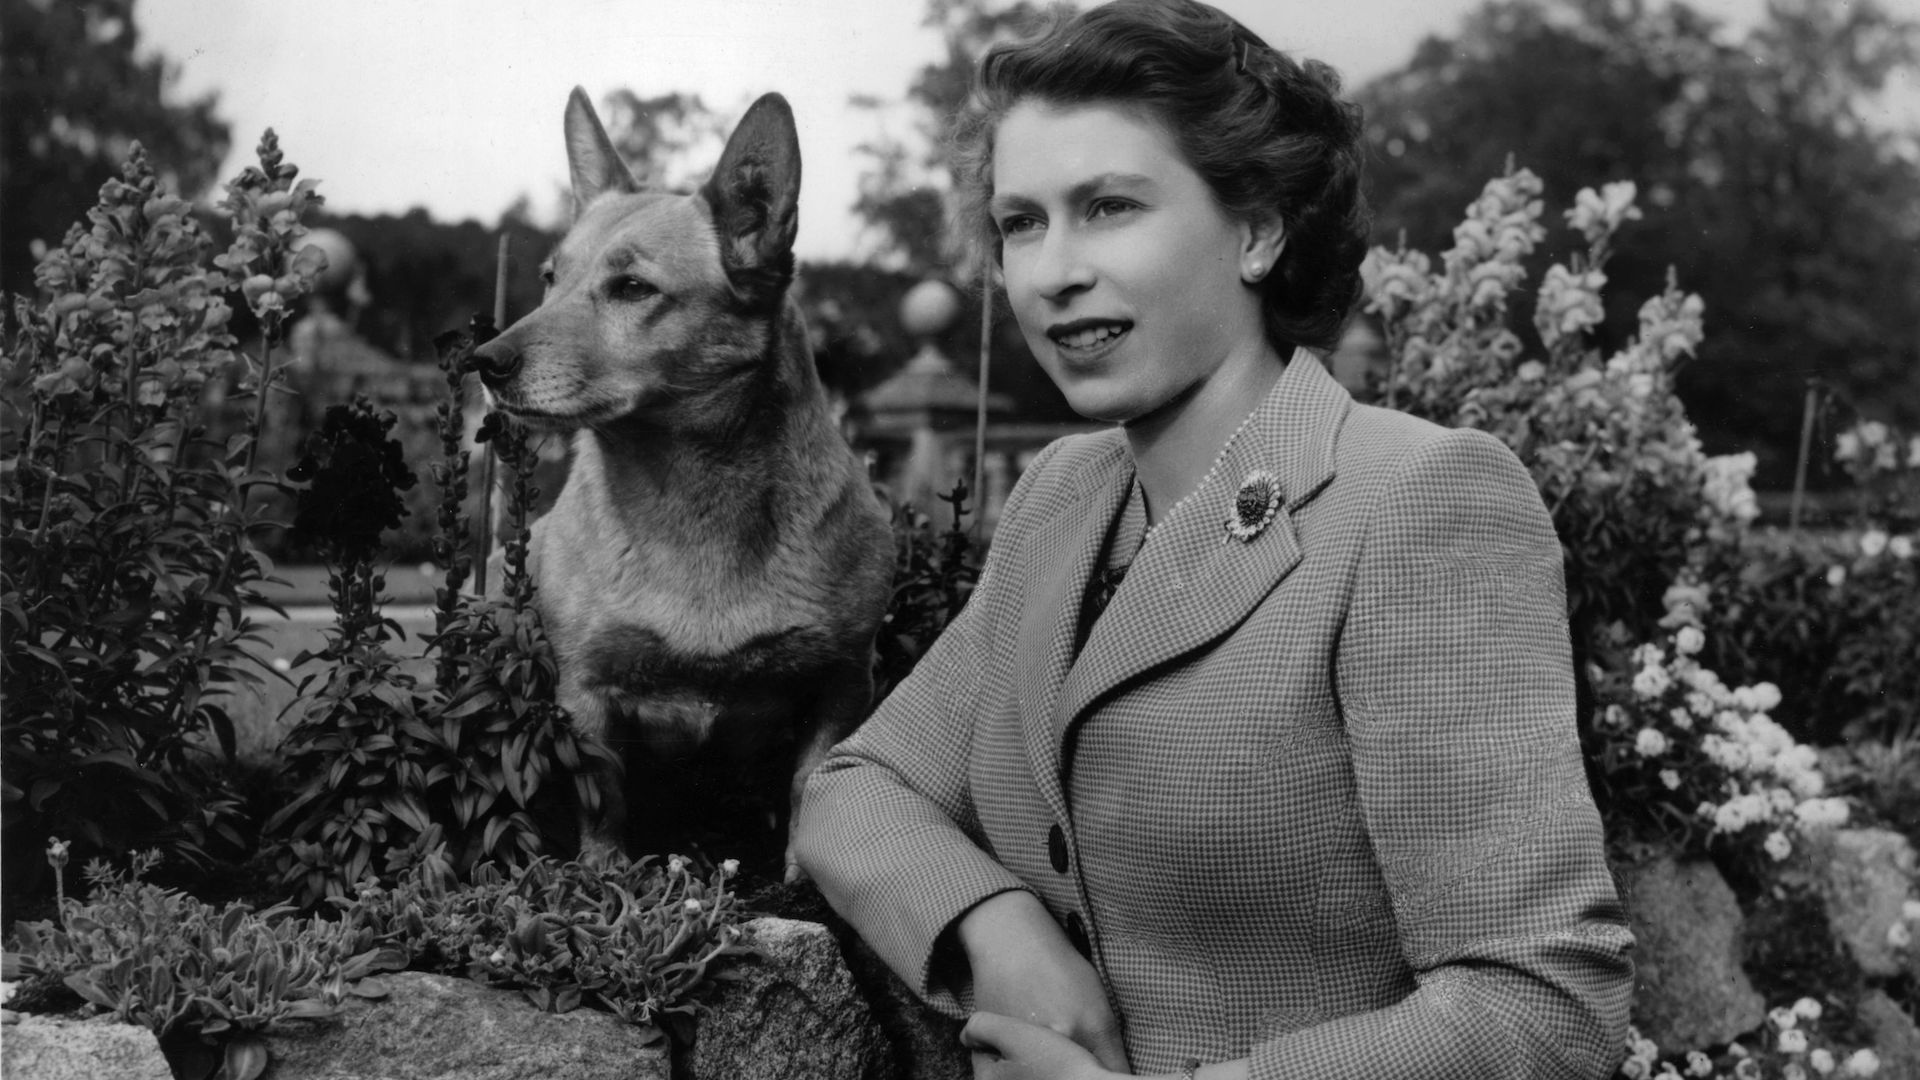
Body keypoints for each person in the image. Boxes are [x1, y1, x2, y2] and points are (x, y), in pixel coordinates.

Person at [794, 2, 1635, 1077]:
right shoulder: (1064, 495)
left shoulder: (1419, 501)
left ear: (1257, 229)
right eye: (1021, 222)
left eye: (1108, 207)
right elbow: (858, 787)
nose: (1053, 273)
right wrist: (999, 931)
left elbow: (1545, 1004)